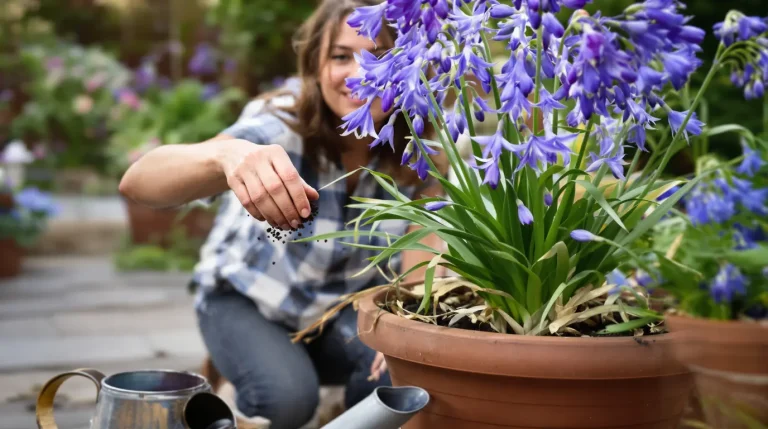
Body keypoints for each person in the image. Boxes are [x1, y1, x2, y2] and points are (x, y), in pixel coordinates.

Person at [118, 0, 444, 427]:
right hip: (245, 299)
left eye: (380, 57)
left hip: (340, 311)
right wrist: (227, 156)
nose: (360, 73)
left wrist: (403, 329)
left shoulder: (421, 152)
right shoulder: (279, 125)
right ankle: (252, 391)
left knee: (399, 376)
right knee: (287, 400)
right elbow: (138, 182)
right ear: (315, 66)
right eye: (341, 56)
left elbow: (415, 272)